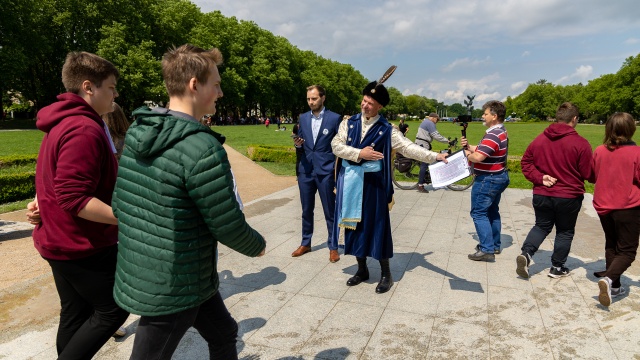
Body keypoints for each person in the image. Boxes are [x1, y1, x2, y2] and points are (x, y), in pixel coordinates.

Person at [111, 44, 266, 360]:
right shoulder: (202, 148)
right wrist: (257, 245)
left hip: (159, 270)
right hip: (174, 282)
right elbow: (226, 223)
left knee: (224, 333)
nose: (220, 93)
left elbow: (120, 205)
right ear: (195, 84)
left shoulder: (138, 134)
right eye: (217, 84)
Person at [28, 51, 129, 359]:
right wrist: (130, 217)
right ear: (89, 87)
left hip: (58, 241)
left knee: (75, 313)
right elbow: (75, 198)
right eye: (110, 87)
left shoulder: (64, 121)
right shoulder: (83, 128)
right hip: (80, 245)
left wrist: (39, 204)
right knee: (114, 309)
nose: (115, 94)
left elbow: (55, 180)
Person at [331, 76, 448, 294]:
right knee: (354, 226)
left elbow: (409, 148)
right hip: (352, 183)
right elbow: (336, 146)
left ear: (380, 107)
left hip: (375, 186)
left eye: (371, 103)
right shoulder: (349, 123)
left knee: (378, 227)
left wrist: (434, 156)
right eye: (364, 101)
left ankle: (386, 274)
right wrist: (359, 153)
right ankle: (362, 269)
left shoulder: (388, 129)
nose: (365, 105)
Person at [517, 102, 594, 279]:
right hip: (569, 196)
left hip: (542, 193)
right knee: (565, 231)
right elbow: (588, 173)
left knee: (541, 226)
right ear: (574, 119)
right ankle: (557, 267)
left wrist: (539, 177)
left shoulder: (539, 139)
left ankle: (526, 254)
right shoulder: (581, 143)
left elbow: (526, 163)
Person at [592, 112, 640, 307]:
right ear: (631, 129)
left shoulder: (600, 150)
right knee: (627, 251)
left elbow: (593, 174)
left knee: (612, 245)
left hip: (604, 205)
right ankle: (610, 278)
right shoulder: (636, 152)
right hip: (628, 206)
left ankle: (614, 287)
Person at [290, 85, 341, 262]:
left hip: (326, 171)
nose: (311, 102)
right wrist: (298, 143)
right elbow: (302, 143)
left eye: (314, 99)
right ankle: (306, 243)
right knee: (306, 209)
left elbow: (339, 145)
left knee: (330, 210)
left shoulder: (335, 119)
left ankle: (333, 246)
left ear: (323, 98)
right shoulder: (303, 118)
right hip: (305, 170)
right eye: (308, 99)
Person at [461, 100, 510, 262]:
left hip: (487, 180)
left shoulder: (493, 134)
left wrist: (467, 154)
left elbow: (478, 157)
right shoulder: (500, 131)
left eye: (486, 113)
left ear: (494, 116)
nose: (483, 116)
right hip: (498, 177)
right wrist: (469, 146)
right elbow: (484, 149)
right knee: (492, 211)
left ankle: (486, 249)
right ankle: (494, 244)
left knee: (478, 212)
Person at [415, 112, 451, 192]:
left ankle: (424, 179)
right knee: (425, 163)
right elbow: (436, 135)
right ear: (433, 118)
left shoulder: (426, 122)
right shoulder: (429, 123)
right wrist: (447, 141)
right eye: (437, 119)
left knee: (427, 161)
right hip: (423, 143)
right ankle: (420, 185)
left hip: (422, 143)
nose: (437, 121)